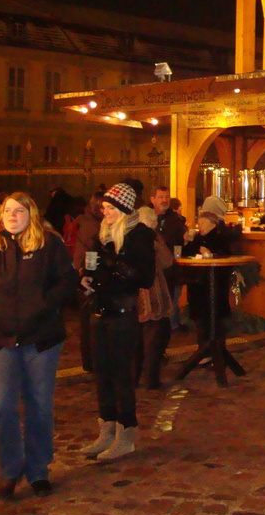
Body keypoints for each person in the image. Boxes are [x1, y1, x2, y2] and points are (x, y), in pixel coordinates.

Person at [0, 192, 78, 499]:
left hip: (41, 338)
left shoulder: (49, 244)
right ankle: (9, 470)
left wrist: (44, 304)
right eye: (8, 210)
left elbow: (66, 280)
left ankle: (38, 470)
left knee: (39, 405)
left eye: (19, 210)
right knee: (1, 406)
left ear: (31, 213)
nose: (13, 215)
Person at [80, 182, 155, 462]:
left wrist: (115, 264)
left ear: (124, 209)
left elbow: (145, 277)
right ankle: (106, 430)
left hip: (123, 312)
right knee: (102, 373)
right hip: (100, 309)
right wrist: (86, 274)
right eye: (104, 208)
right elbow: (95, 265)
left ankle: (126, 433)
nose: (105, 212)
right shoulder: (103, 233)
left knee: (122, 373)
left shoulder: (139, 235)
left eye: (111, 208)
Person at [134, 207, 174, 390]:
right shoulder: (152, 238)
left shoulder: (128, 236)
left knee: (135, 338)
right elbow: (167, 261)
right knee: (152, 338)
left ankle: (134, 377)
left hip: (134, 293)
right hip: (151, 291)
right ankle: (151, 379)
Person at [182, 208, 233, 350]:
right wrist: (186, 244)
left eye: (203, 223)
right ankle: (203, 350)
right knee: (200, 320)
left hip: (214, 286)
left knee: (215, 320)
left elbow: (227, 257)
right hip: (197, 285)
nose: (200, 226)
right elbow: (187, 255)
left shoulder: (220, 239)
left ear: (213, 224)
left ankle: (218, 351)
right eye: (199, 223)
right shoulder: (197, 239)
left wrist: (211, 254)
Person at [72, 190, 105, 372]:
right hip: (87, 280)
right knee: (89, 324)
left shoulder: (88, 223)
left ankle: (90, 362)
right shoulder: (93, 228)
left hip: (85, 277)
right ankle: (91, 362)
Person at [150, 185, 186, 331]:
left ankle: (170, 327)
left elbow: (180, 241)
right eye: (161, 197)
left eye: (167, 197)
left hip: (171, 266)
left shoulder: (175, 219)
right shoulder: (147, 216)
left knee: (171, 298)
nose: (165, 200)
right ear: (152, 199)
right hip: (152, 267)